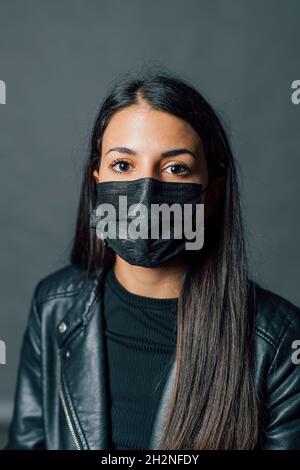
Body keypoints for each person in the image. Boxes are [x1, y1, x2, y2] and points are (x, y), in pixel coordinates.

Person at [5, 70, 300, 450]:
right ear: (97, 182)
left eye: (175, 168)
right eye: (123, 166)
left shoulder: (278, 343)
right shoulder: (53, 307)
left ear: (210, 195)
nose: (145, 195)